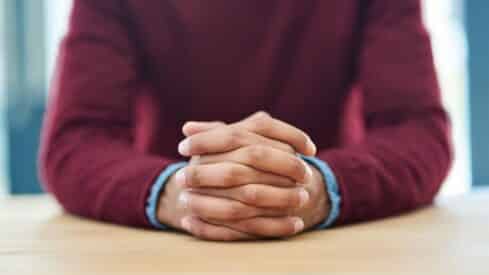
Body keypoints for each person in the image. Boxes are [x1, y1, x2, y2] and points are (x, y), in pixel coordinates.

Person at [39, 0, 452, 241]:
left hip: (329, 238)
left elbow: (418, 132)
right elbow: (75, 141)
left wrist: (319, 187)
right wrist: (180, 193)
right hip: (167, 245)